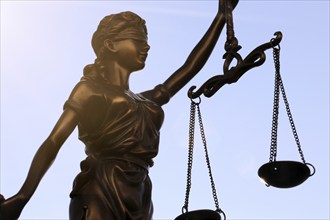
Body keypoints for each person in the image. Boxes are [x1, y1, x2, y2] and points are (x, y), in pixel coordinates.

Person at [0, 1, 238, 219]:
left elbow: (189, 68)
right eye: (138, 40)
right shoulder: (89, 90)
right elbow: (53, 141)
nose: (147, 46)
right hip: (99, 189)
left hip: (141, 192)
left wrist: (220, 17)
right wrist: (22, 197)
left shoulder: (147, 99)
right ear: (111, 44)